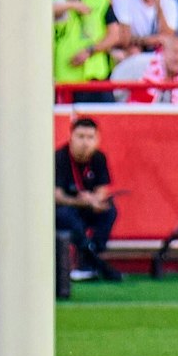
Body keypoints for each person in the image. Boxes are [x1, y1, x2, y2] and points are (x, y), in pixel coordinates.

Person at [55, 114, 121, 283]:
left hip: (89, 208)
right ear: (71, 137)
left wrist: (96, 200)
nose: (85, 142)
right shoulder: (60, 158)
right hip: (67, 207)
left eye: (90, 137)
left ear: (97, 139)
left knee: (110, 211)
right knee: (65, 215)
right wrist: (80, 201)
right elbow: (56, 195)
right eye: (81, 137)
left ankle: (91, 257)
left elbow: (102, 189)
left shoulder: (99, 158)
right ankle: (89, 257)